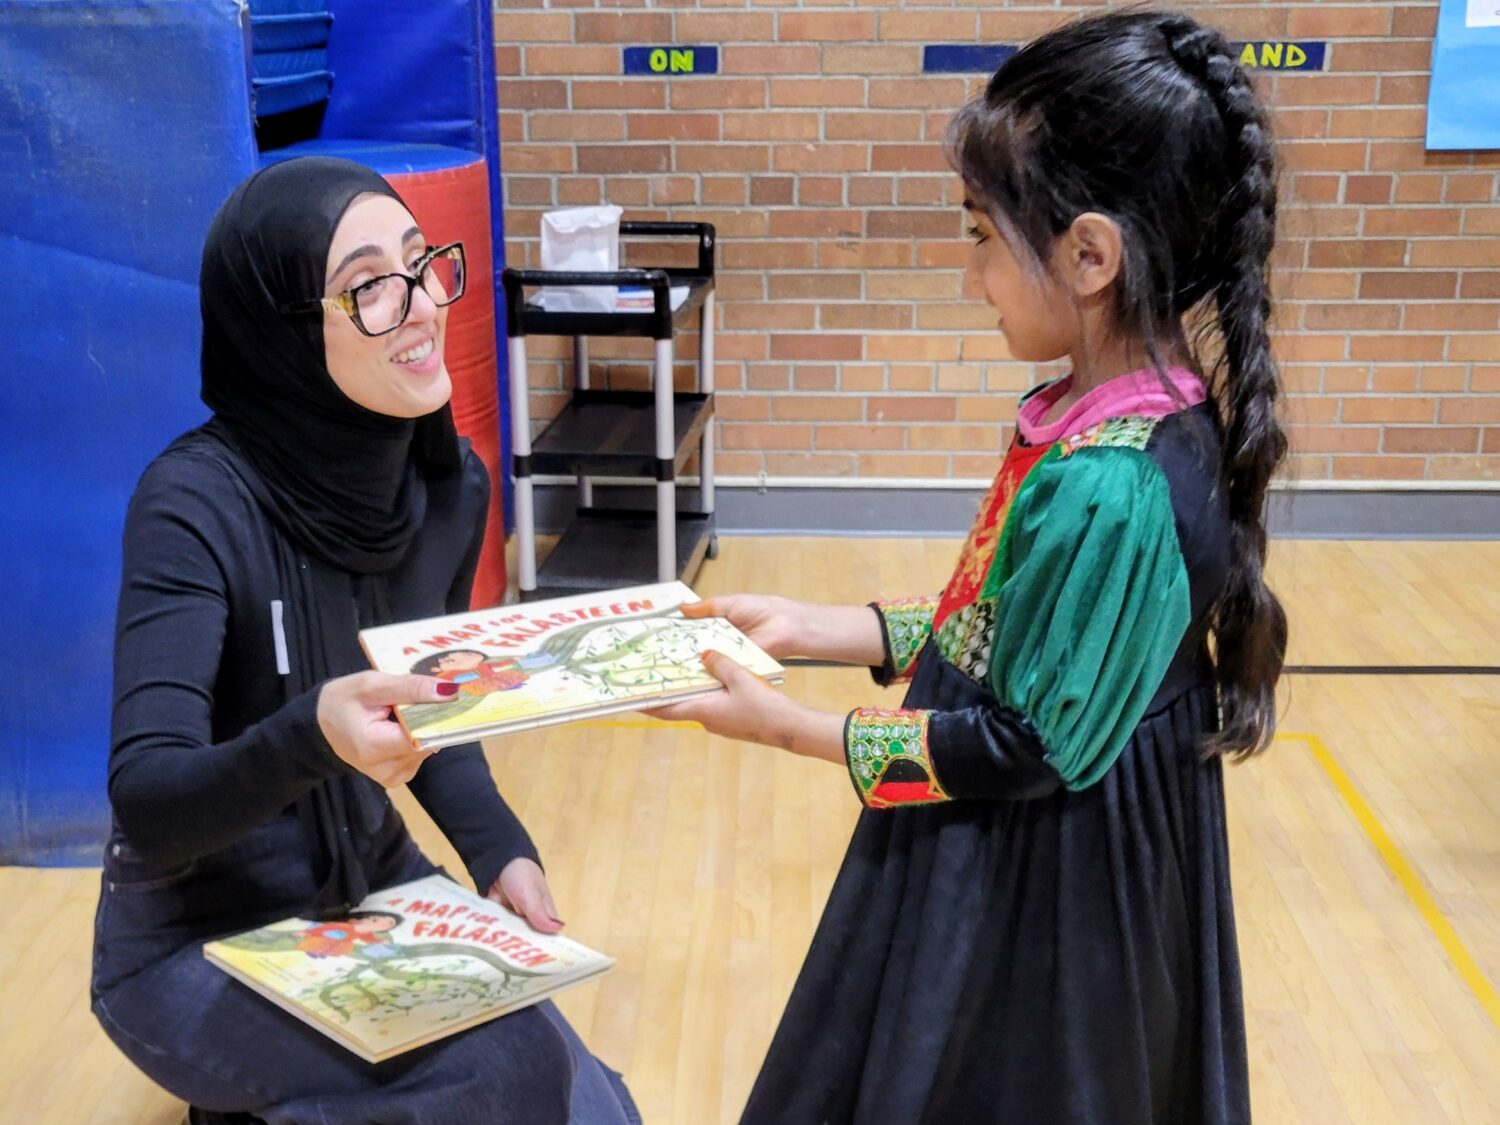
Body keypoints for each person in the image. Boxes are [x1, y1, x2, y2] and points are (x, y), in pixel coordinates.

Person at [654, 11, 1285, 1123]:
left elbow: (1024, 743)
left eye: (983, 235)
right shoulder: (1108, 416)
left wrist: (787, 725)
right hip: (1034, 830)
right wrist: (820, 627)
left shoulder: (1116, 479)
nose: (970, 273)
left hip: (1048, 874)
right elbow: (1015, 628)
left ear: (1090, 255)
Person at [91, 157, 639, 1125]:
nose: (423, 304)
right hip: (192, 936)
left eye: (421, 264)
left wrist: (496, 848)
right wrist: (311, 734)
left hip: (365, 885)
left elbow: (430, 705)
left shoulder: (447, 484)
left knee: (590, 1108)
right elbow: (151, 804)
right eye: (371, 287)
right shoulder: (192, 502)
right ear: (285, 334)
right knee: (501, 1079)